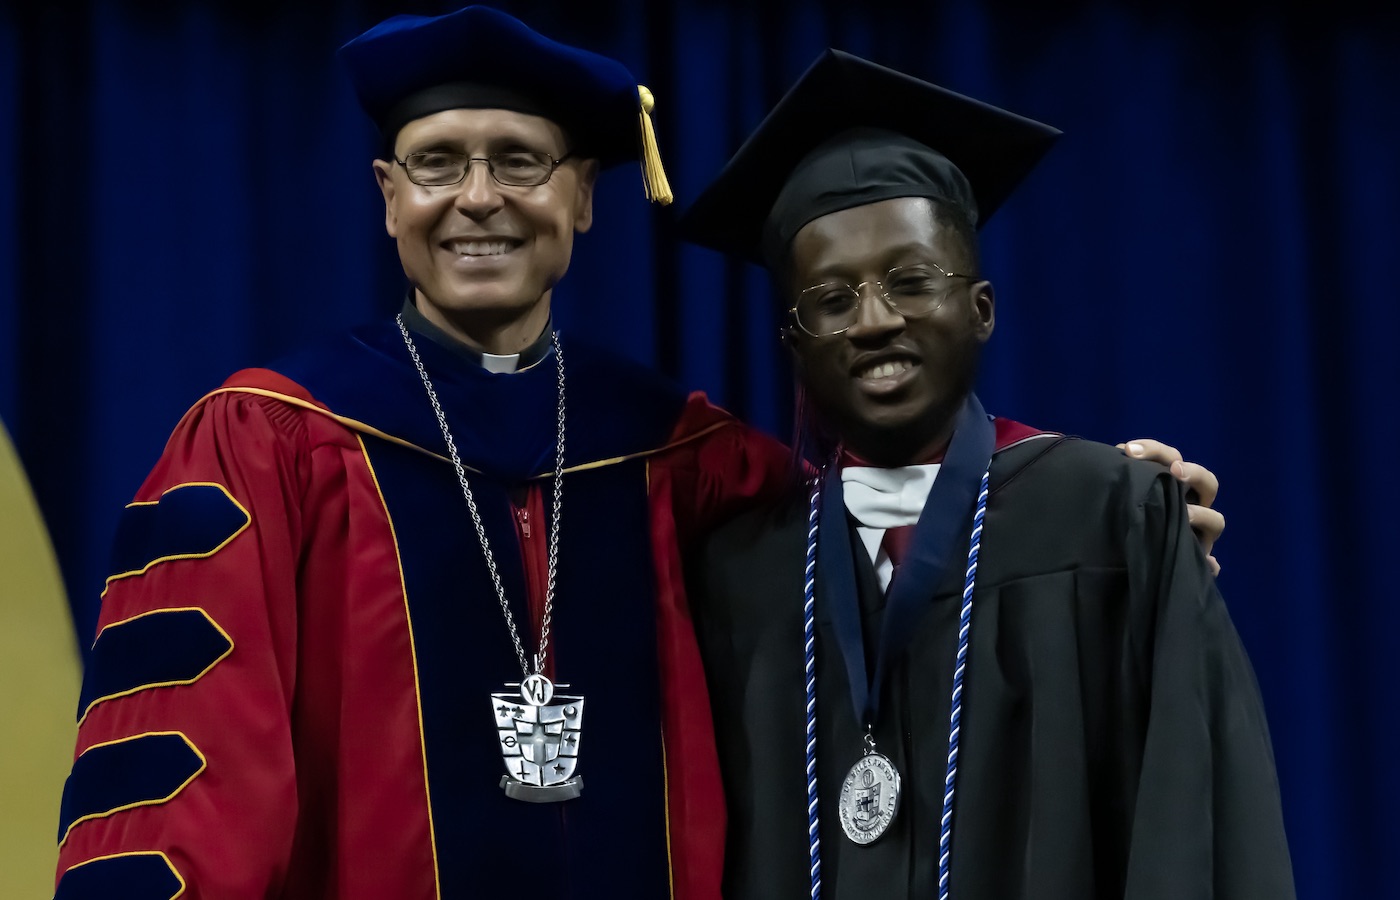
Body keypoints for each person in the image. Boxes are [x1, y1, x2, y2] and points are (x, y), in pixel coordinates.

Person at [51, 8, 1226, 899]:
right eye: (438, 161)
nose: (478, 199)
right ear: (386, 195)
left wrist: (1092, 499)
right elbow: (182, 786)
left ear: (582, 199)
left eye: (519, 161)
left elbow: (871, 527)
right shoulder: (271, 441)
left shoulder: (680, 456)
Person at [679, 51, 1293, 899]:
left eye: (910, 281)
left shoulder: (1109, 516)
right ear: (794, 344)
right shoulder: (744, 575)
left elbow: (1199, 824)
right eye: (830, 299)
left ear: (981, 310)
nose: (873, 321)